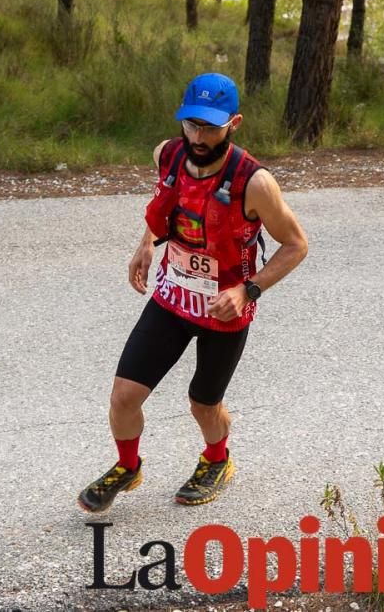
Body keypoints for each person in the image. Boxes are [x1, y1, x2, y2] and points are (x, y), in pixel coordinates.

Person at [78, 73, 308, 512]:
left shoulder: (254, 183)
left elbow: (297, 244)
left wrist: (248, 289)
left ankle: (217, 460)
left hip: (224, 310)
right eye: (192, 124)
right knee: (123, 396)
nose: (198, 137)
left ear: (234, 123)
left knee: (204, 405)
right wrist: (146, 243)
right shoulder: (166, 154)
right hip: (172, 298)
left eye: (211, 128)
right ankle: (128, 466)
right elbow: (165, 204)